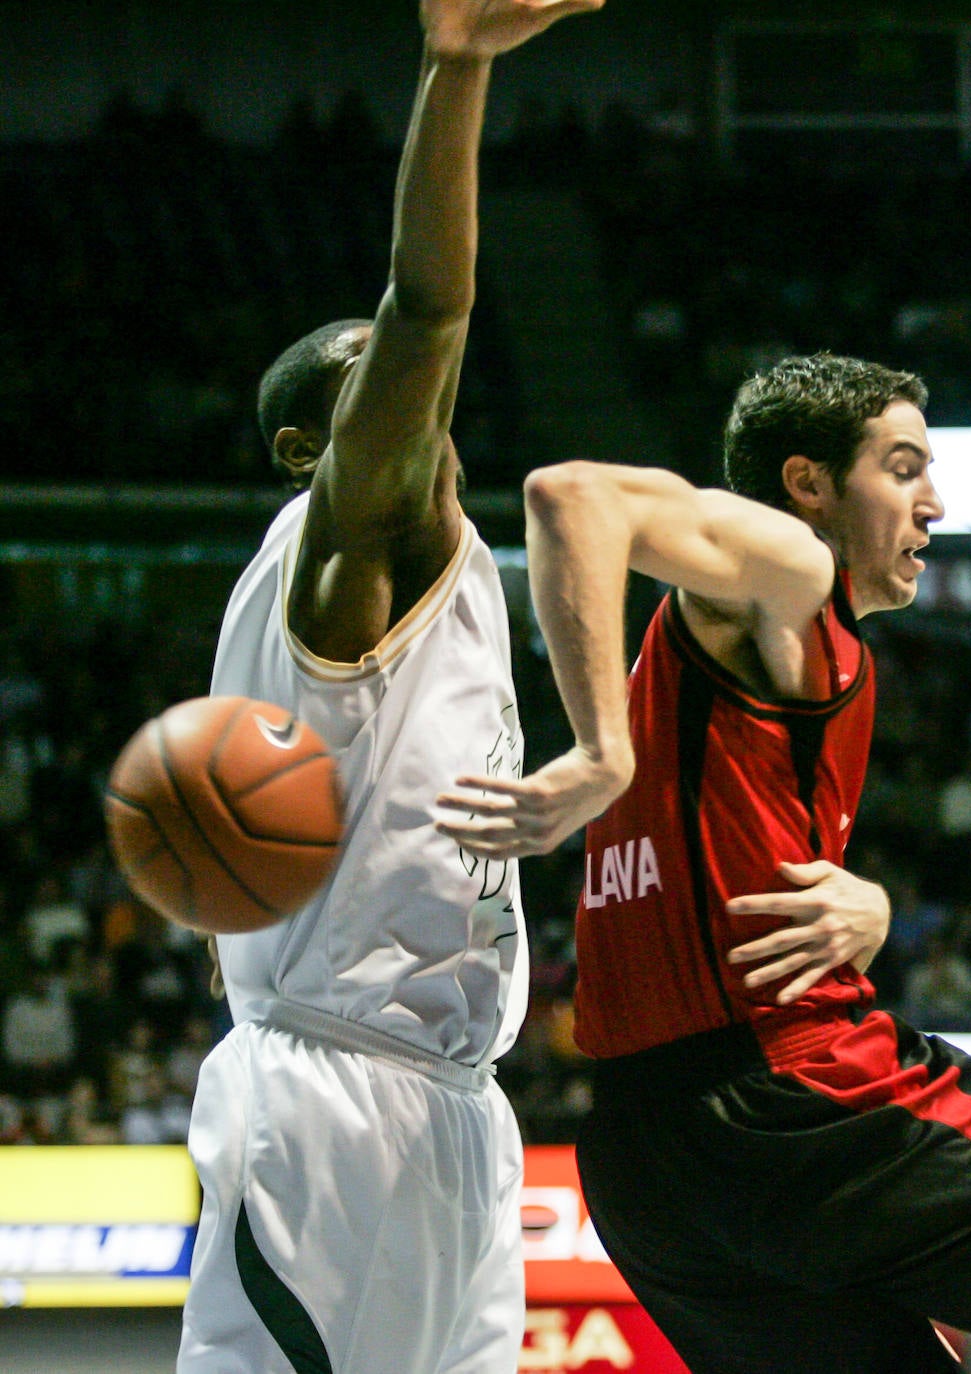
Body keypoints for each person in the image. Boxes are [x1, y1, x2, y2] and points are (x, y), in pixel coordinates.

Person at [439, 353, 971, 1372]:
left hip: (645, 1158)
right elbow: (571, 493)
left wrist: (874, 905)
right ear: (807, 483)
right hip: (790, 1099)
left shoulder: (740, 661)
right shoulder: (794, 574)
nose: (933, 503)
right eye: (901, 469)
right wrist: (599, 750)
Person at [174, 3, 609, 1371]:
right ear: (310, 446)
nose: (413, 401)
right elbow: (427, 304)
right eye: (370, 393)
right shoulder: (335, 552)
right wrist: (456, 68)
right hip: (331, 1104)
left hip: (455, 1103)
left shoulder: (451, 571)